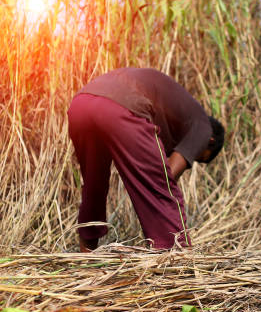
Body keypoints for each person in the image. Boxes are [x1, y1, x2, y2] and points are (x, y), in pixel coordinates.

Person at [67, 67, 225, 252]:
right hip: (122, 105)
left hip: (82, 103)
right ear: (210, 142)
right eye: (198, 157)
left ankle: (87, 255)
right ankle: (175, 261)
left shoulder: (182, 118)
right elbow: (166, 177)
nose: (192, 158)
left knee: (94, 184)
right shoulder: (204, 129)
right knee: (161, 187)